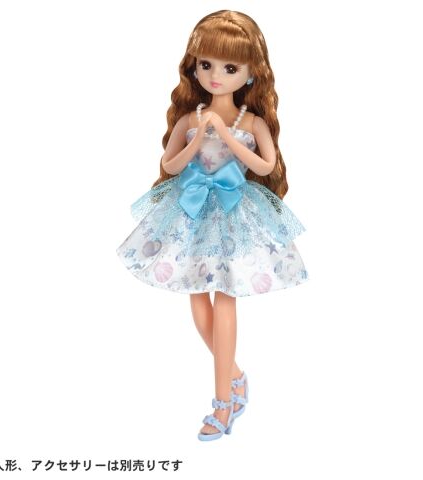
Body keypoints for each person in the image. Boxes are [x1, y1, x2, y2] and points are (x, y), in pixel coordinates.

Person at [116, 9, 309, 441]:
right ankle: (236, 376)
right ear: (193, 67)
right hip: (191, 211)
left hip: (235, 212)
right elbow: (170, 164)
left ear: (251, 73)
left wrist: (224, 134)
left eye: (229, 68)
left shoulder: (252, 122)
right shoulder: (190, 118)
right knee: (197, 301)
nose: (216, 75)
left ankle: (223, 402)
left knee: (225, 299)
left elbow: (265, 164)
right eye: (206, 64)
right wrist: (199, 134)